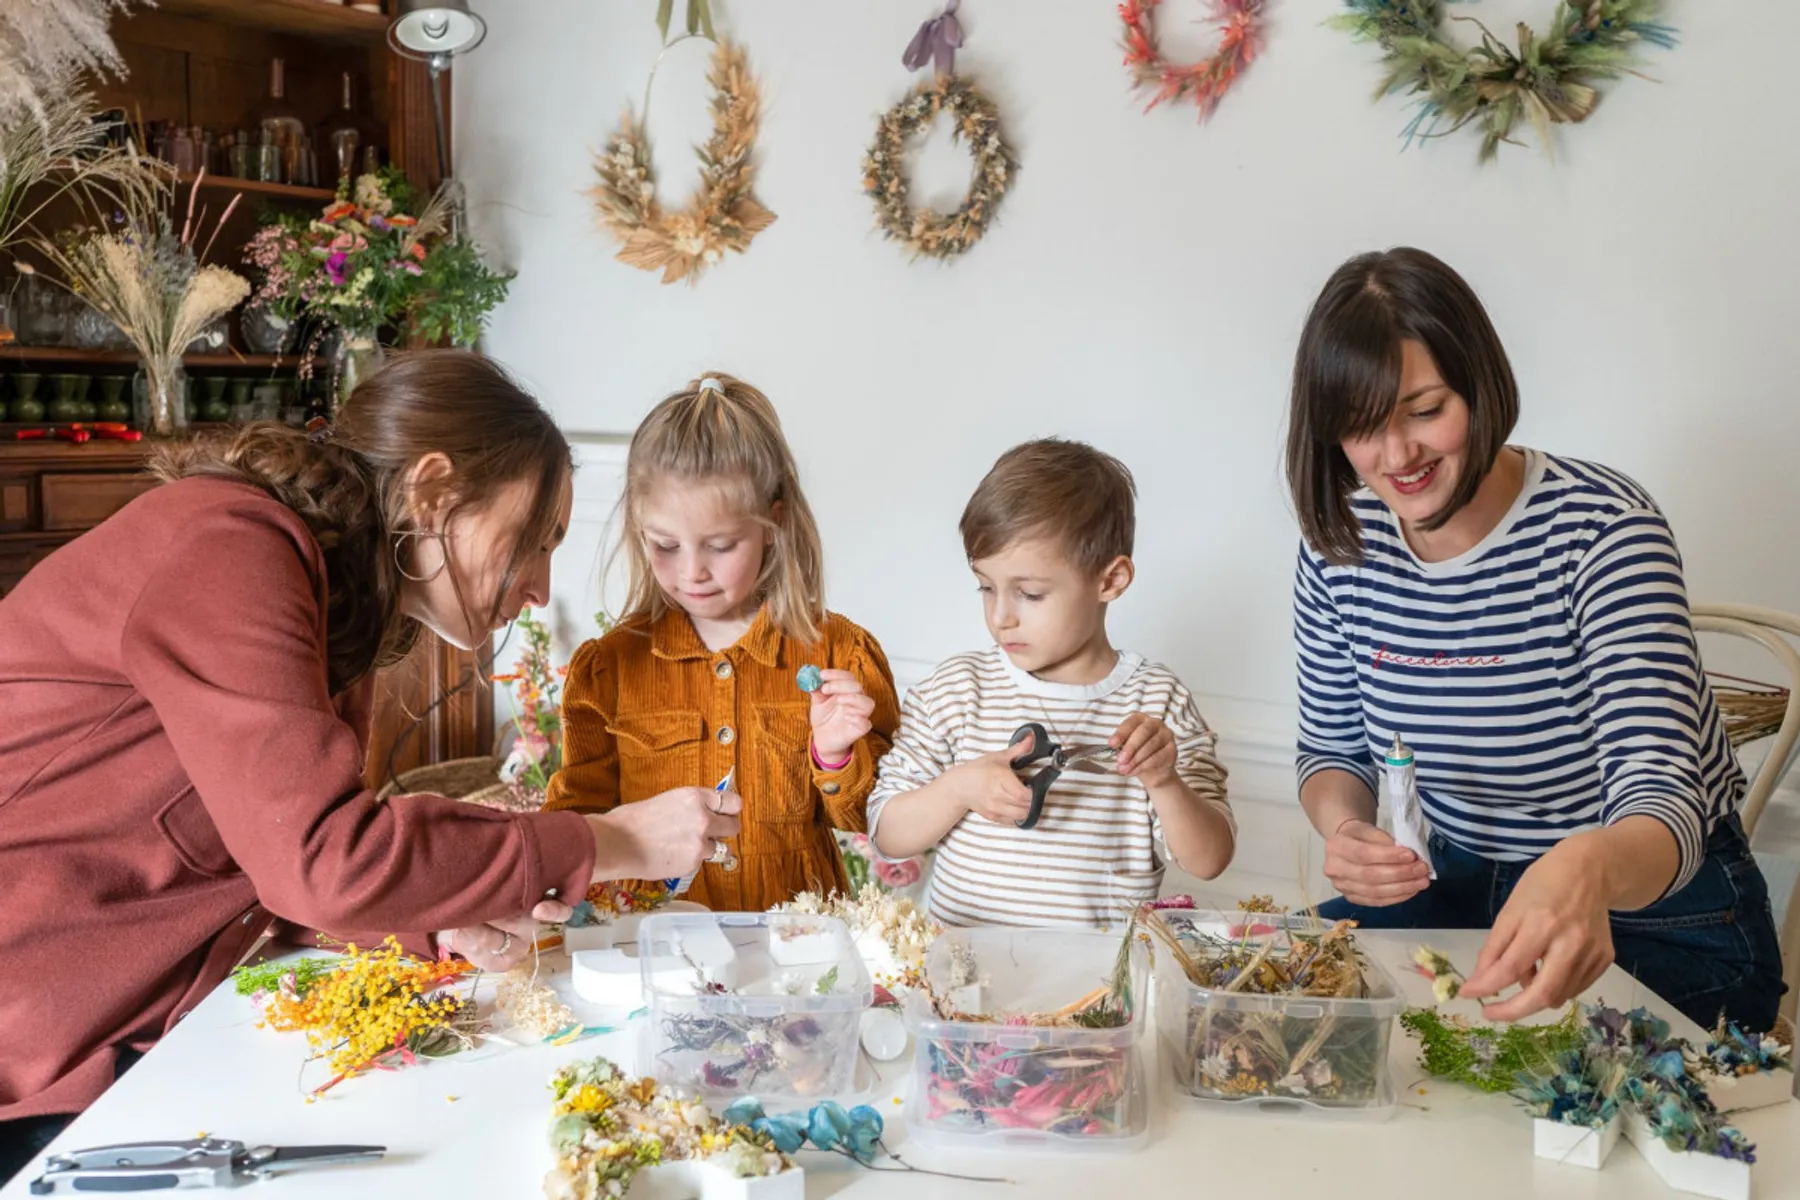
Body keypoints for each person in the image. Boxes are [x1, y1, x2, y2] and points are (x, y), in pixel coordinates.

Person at [0, 352, 739, 1180]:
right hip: (34, 1046)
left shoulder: (334, 606)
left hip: (126, 1028)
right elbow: (323, 859)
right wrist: (606, 841)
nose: (539, 587)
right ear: (430, 493)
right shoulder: (230, 547)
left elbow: (272, 867)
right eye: (533, 540)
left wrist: (438, 917)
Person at [1286, 247, 1783, 1030]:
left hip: (1659, 913)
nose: (1399, 456)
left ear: (1479, 384)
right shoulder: (1339, 543)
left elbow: (1662, 794)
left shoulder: (1604, 531)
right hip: (1451, 889)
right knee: (1284, 1026)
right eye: (1363, 427)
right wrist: (1347, 830)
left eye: (1425, 409)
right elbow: (1334, 752)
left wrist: (1584, 864)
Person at [544, 372, 899, 910]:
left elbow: (877, 820)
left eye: (721, 545)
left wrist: (833, 756)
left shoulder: (838, 653)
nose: (692, 572)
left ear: (772, 524)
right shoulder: (610, 669)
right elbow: (577, 823)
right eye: (665, 545)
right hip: (655, 948)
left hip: (798, 952)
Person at [868, 438, 1234, 927]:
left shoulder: (1157, 702)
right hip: (963, 982)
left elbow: (1209, 860)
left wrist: (1164, 783)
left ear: (1111, 580)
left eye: (1031, 594)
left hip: (1094, 992)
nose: (1001, 617)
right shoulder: (956, 691)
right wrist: (957, 789)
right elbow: (886, 833)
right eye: (986, 586)